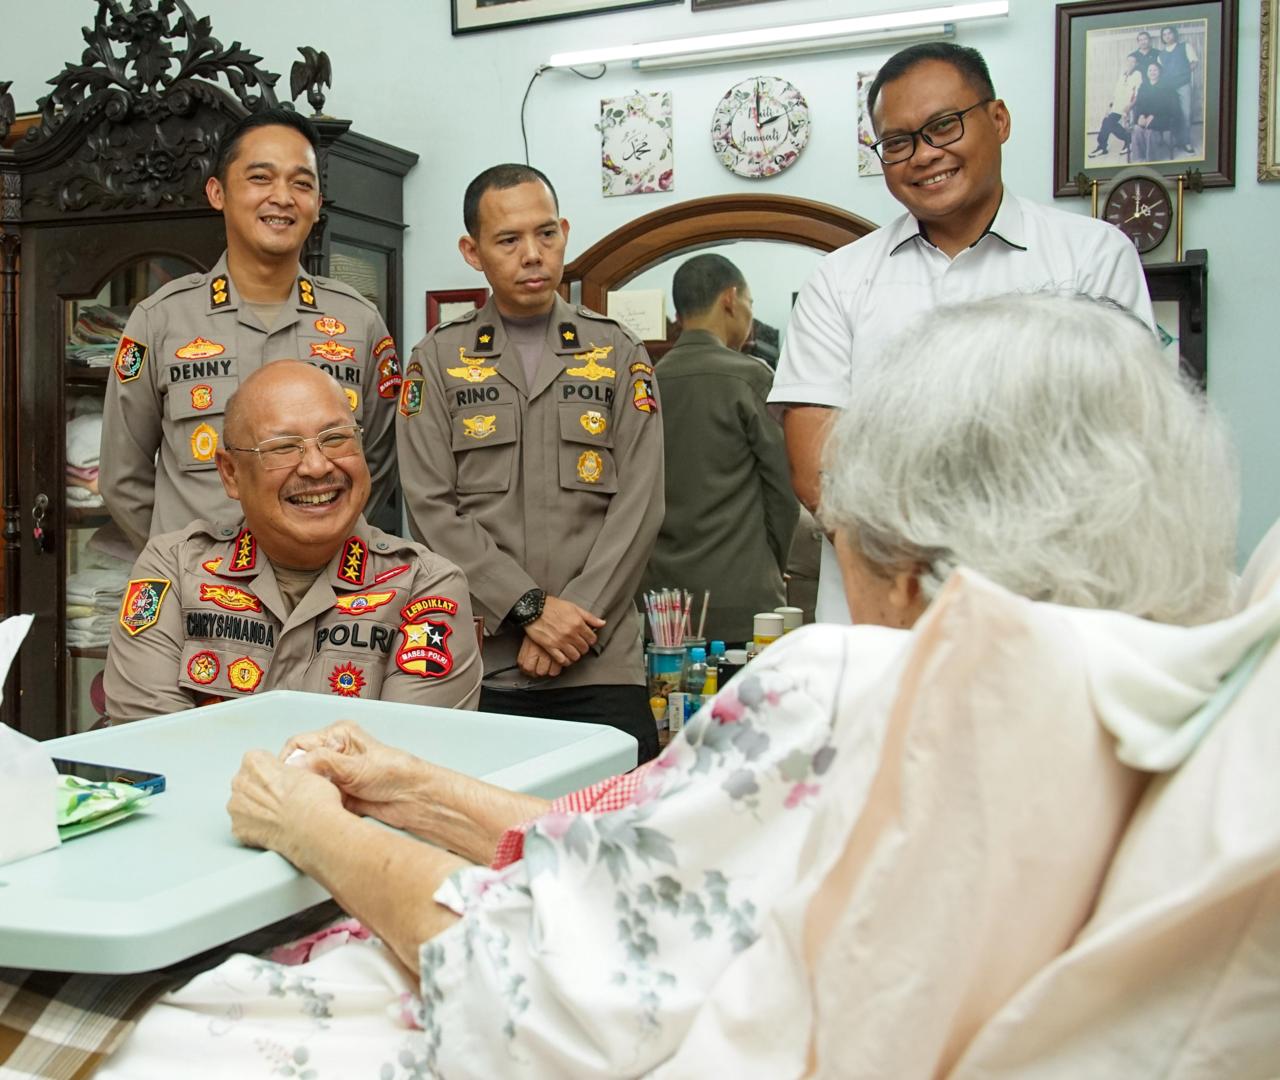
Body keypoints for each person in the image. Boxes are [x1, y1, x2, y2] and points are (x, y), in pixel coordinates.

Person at [95, 294, 1239, 1079]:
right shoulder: (1135, 703)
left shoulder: (852, 683)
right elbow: (671, 861)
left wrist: (323, 831)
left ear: (896, 546)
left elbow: (535, 988)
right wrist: (412, 784)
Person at [767, 41, 1155, 625]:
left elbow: (1120, 441)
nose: (924, 155)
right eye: (897, 142)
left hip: (1051, 616)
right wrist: (919, 575)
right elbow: (819, 470)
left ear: (997, 121)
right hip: (884, 624)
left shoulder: (1091, 258)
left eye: (943, 127)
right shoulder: (840, 279)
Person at [395, 164, 664, 761]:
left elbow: (640, 504)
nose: (533, 255)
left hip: (600, 664)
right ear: (473, 251)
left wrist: (573, 622)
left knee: (623, 838)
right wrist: (530, 609)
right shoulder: (437, 360)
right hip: (485, 662)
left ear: (565, 231)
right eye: (509, 240)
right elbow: (430, 508)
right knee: (484, 841)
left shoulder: (618, 351)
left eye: (546, 234)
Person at [103, 360, 480, 720]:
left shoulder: (426, 586)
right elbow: (152, 742)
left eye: (335, 439)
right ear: (231, 473)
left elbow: (403, 762)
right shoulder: (174, 569)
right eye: (283, 447)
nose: (317, 467)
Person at [100, 108, 402, 553]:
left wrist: (320, 544)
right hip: (203, 599)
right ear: (217, 192)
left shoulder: (359, 322)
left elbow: (376, 463)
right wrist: (186, 561)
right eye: (261, 178)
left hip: (327, 598)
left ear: (318, 204)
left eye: (302, 184)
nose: (282, 197)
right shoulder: (160, 321)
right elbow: (122, 478)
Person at [639, 253, 798, 643]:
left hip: (660, 605)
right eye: (750, 303)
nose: (748, 314)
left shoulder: (647, 383)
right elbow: (784, 493)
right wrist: (771, 564)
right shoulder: (750, 378)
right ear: (730, 298)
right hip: (742, 597)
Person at [1088, 53, 1141, 158]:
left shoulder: (1137, 74)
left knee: (1110, 123)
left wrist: (1130, 106)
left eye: (1133, 61)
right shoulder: (1122, 74)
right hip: (1118, 105)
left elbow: (1137, 93)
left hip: (1129, 106)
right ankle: (1103, 146)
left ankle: (1127, 142)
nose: (1130, 63)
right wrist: (1110, 106)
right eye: (1128, 61)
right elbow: (1116, 92)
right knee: (1106, 121)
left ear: (1137, 63)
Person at [1131, 61, 1181, 163]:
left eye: (1155, 70)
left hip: (1163, 116)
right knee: (1137, 128)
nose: (1152, 72)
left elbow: (1168, 105)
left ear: (1159, 72)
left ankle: (1151, 159)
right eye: (1150, 70)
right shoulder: (1143, 86)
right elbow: (1139, 103)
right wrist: (1141, 115)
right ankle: (1139, 158)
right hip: (1145, 115)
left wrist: (1153, 115)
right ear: (1147, 72)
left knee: (1150, 129)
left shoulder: (1166, 86)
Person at [1160, 24, 1199, 154]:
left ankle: (1186, 142)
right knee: (1174, 114)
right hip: (1169, 88)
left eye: (1169, 33)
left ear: (1174, 34)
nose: (1167, 36)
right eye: (1164, 34)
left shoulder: (1185, 46)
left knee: (1186, 114)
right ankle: (1177, 140)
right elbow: (1160, 72)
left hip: (1183, 85)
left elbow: (1194, 62)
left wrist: (1184, 73)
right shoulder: (1161, 54)